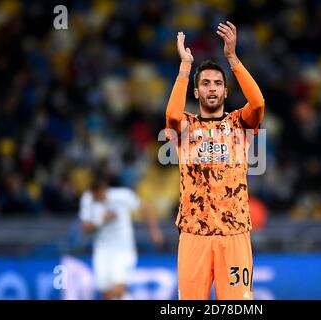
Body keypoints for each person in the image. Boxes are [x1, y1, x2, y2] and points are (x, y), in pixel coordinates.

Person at [165, 21, 265, 300]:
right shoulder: (185, 126)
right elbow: (171, 114)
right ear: (196, 92)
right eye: (206, 83)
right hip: (194, 233)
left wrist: (232, 58)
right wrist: (185, 69)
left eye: (218, 84)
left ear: (224, 92)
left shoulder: (239, 123)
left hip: (234, 233)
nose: (212, 88)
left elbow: (257, 104)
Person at [78, 171, 163, 300]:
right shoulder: (87, 198)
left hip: (123, 249)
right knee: (106, 293)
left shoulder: (123, 196)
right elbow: (84, 228)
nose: (95, 195)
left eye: (98, 191)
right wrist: (100, 219)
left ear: (104, 188)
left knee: (118, 289)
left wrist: (154, 231)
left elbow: (145, 207)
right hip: (102, 250)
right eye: (93, 192)